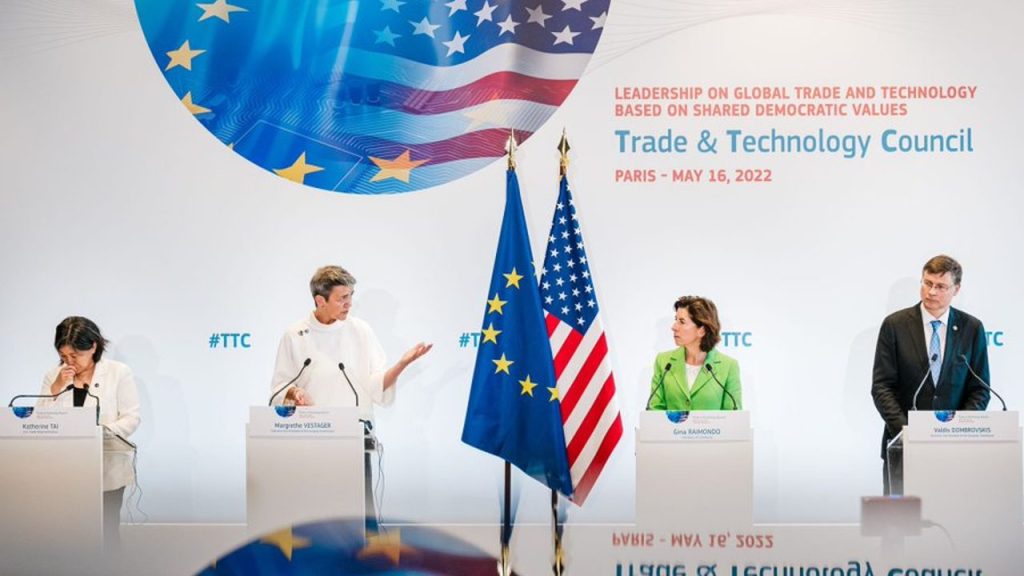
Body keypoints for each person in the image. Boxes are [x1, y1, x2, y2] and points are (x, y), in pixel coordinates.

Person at [270, 265, 431, 525]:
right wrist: (295, 392)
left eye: (351, 296)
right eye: (342, 298)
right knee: (317, 524)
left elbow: (375, 386)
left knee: (358, 526)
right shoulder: (295, 335)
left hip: (354, 440)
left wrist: (401, 365)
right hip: (311, 444)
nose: (349, 304)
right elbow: (279, 391)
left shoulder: (360, 331)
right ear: (320, 300)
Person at [872, 255, 990, 495]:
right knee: (900, 526)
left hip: (954, 453)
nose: (931, 292)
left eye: (940, 286)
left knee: (953, 522)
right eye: (927, 283)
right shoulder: (895, 325)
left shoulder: (972, 328)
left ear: (956, 289)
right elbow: (882, 387)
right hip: (904, 449)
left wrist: (957, 432)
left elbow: (980, 389)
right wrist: (909, 434)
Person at [38, 316, 140, 549]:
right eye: (63, 356)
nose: (69, 362)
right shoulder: (53, 376)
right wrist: (55, 388)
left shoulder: (118, 372)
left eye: (75, 356)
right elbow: (39, 420)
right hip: (65, 469)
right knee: (69, 535)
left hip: (107, 465)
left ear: (93, 346)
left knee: (106, 533)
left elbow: (131, 417)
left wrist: (97, 434)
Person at [647, 295, 742, 411]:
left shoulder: (728, 366)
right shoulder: (663, 361)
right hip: (671, 430)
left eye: (682, 322)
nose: (674, 327)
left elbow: (733, 416)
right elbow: (655, 410)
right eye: (675, 320)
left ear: (701, 330)